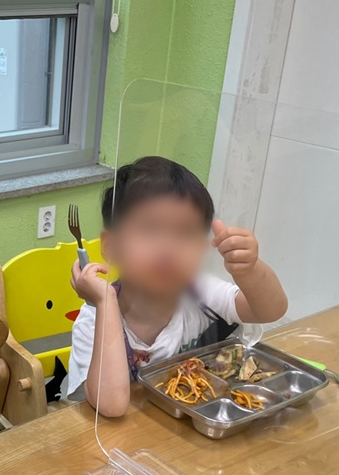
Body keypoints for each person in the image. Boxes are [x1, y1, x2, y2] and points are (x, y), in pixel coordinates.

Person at [65, 156, 287, 417]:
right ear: (112, 247)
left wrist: (250, 270)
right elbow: (111, 407)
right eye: (149, 229)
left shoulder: (199, 292)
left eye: (185, 233)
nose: (167, 249)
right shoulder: (94, 319)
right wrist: (106, 301)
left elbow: (270, 310)